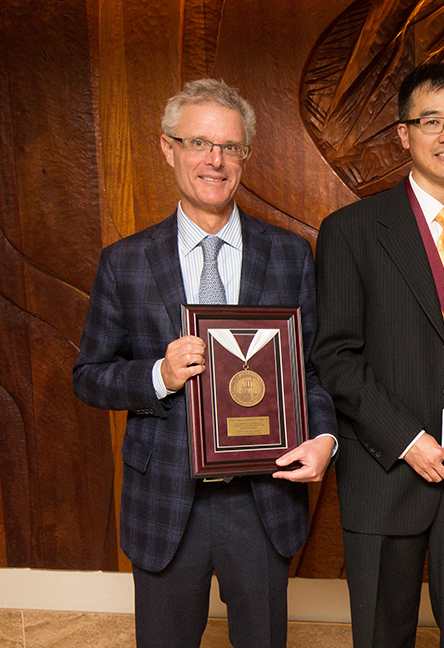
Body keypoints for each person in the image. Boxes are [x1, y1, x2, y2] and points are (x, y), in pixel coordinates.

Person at [72, 78, 337, 648]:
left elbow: (313, 370)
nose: (215, 161)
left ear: (245, 156)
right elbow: (88, 377)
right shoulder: (124, 263)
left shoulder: (290, 255)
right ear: (168, 148)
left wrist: (324, 440)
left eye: (231, 147)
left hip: (263, 497)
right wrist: (156, 377)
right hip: (166, 501)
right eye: (199, 143)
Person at [311, 63, 444, 648]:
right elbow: (337, 357)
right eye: (432, 121)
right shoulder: (351, 230)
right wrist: (407, 439)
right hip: (387, 468)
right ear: (404, 134)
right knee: (381, 635)